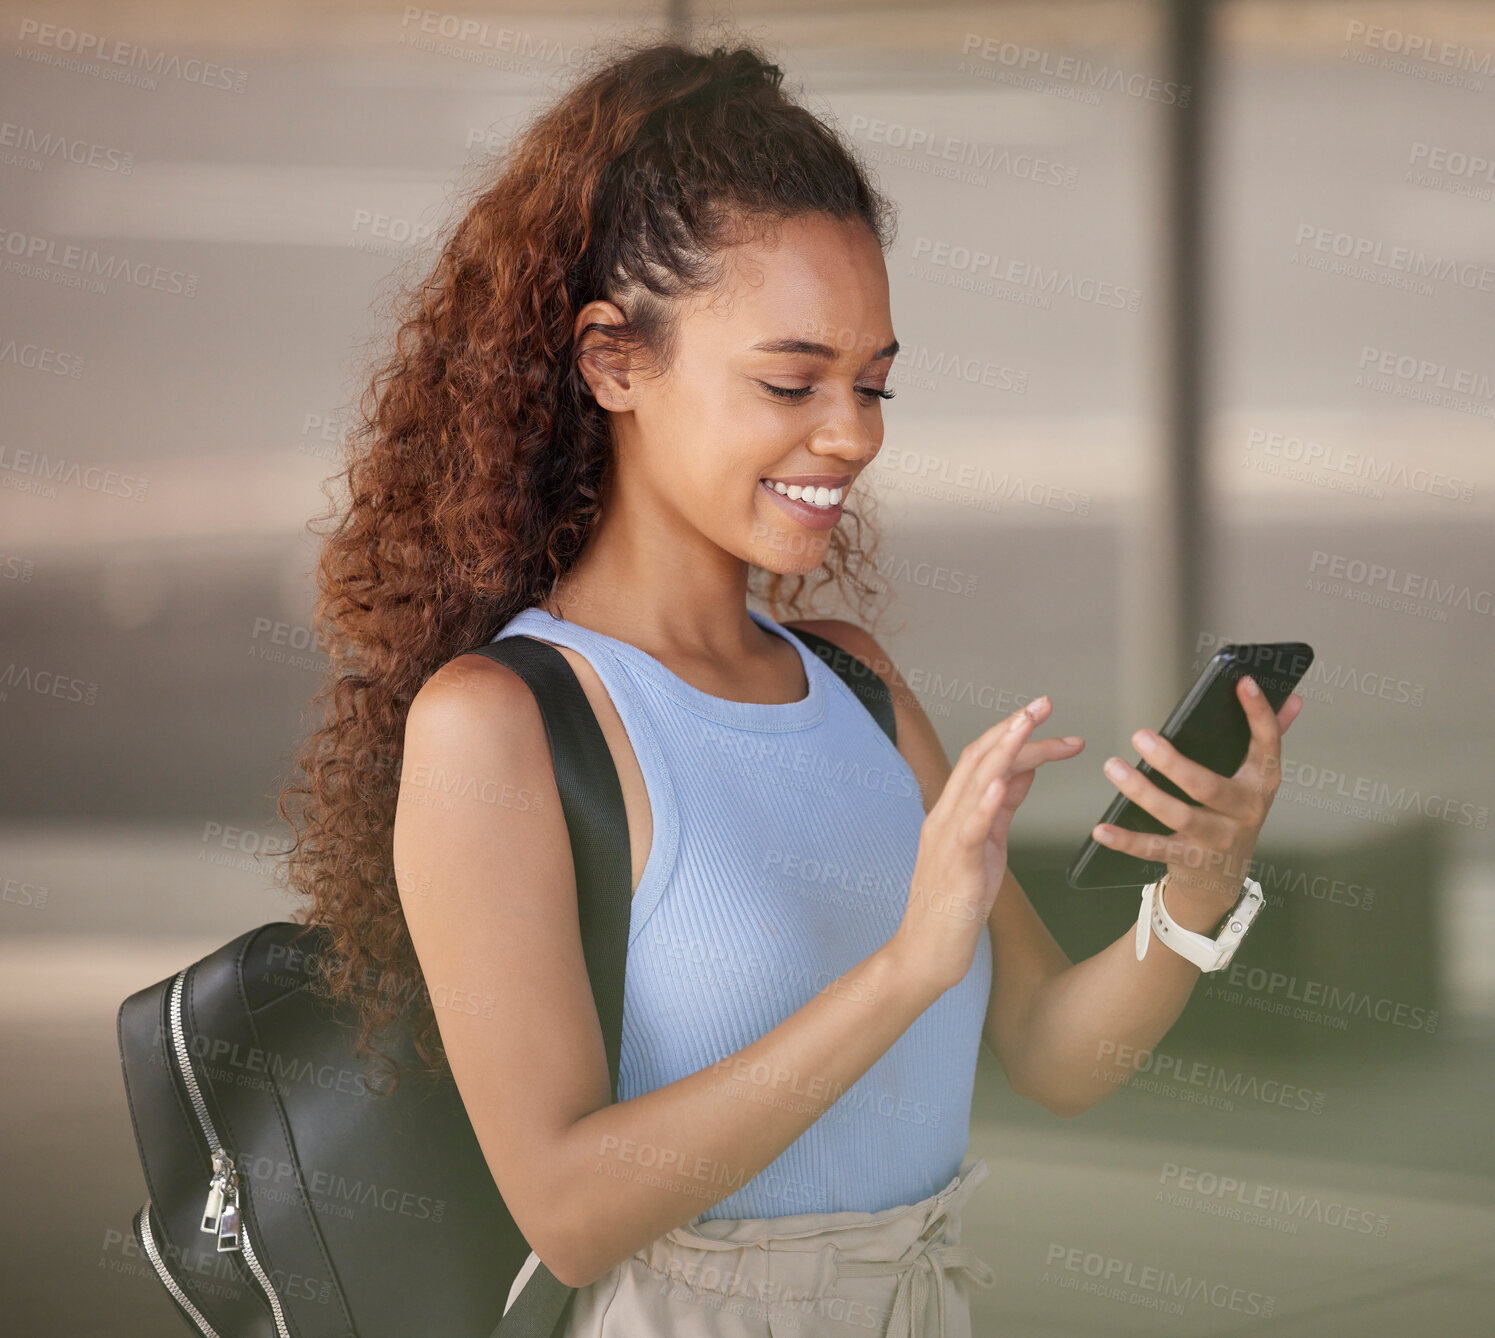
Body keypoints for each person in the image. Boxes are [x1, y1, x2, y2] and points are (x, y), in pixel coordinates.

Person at [279, 32, 1303, 1338]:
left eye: (873, 383)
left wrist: (1193, 899)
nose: (854, 433)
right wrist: (903, 970)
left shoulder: (857, 686)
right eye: (792, 379)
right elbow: (569, 1206)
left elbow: (1052, 1047)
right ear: (613, 361)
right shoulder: (504, 725)